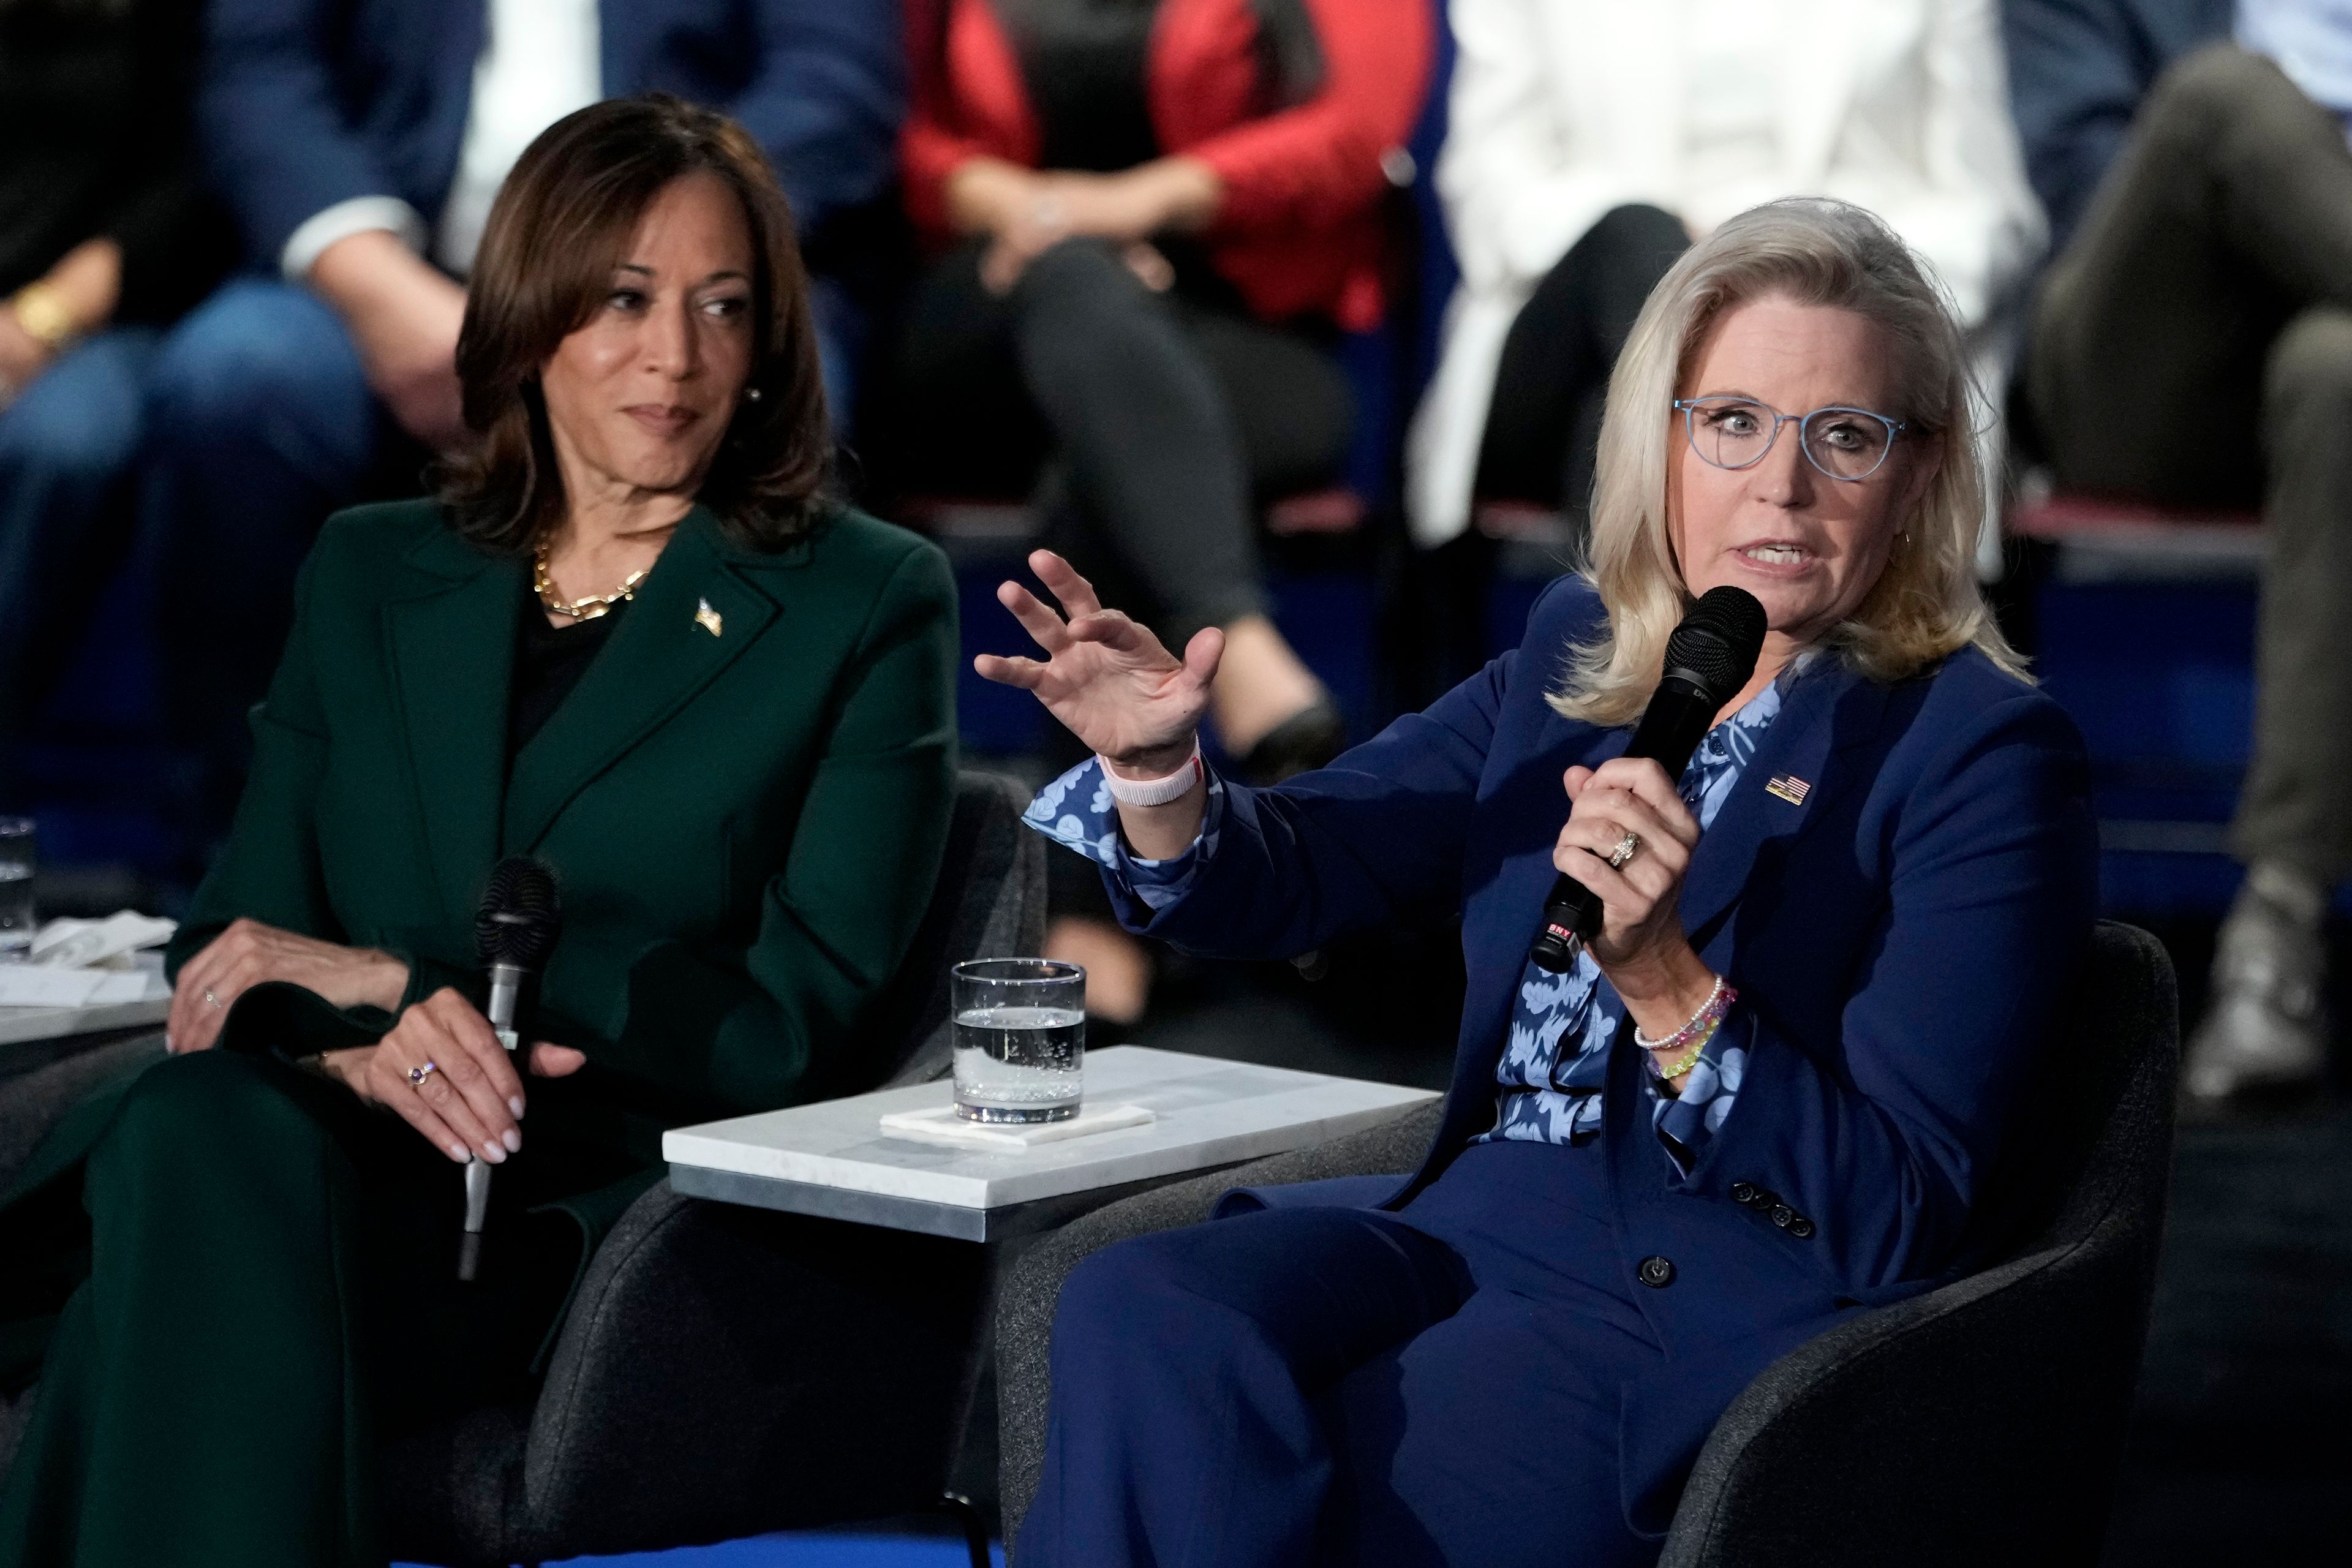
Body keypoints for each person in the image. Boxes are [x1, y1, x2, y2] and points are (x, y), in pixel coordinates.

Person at [982, 198, 2097, 1564]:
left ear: (1919, 474)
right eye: (1733, 422)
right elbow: (1311, 857)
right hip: (1469, 1213)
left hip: (1682, 1283)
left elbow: (1901, 1210)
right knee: (1139, 1307)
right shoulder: (1586, 655)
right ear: (1666, 443)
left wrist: (1673, 987)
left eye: (1845, 436)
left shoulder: (1978, 752)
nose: (1782, 488)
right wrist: (1161, 773)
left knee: (1358, 1484)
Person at [0, 96, 957, 1565]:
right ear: (527, 316)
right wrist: (353, 1052)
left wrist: (404, 988)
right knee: (208, 1132)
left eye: (725, 307)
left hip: (568, 1212)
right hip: (315, 1145)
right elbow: (230, 951)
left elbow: (797, 1020)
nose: (678, 356)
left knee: (166, 1247)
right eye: (625, 300)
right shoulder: (372, 569)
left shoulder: (861, 599)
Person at [146, 0, 906, 853]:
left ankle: (714, 876)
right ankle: (249, 864)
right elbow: (263, 74)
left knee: (774, 403)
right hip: (393, 270)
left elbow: (832, 87)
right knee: (239, 381)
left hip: (689, 262)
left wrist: (617, 286)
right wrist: (370, 280)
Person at [890, 0, 1428, 1021]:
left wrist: (1133, 205)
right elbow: (900, 130)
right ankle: (1247, 654)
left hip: (1239, 333)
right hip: (995, 316)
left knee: (1107, 446)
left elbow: (1354, 133)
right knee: (1082, 307)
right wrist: (1040, 215)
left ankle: (1083, 909)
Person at [2007, 0, 2350, 1110]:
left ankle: (2277, 946)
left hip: (2324, 349)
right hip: (2140, 362)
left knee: (2340, 371)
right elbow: (2066, 180)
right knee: (2218, 93)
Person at [1409, 0, 2043, 565]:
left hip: (1831, 325)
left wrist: (1816, 261)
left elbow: (1988, 215)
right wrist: (1706, 266)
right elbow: (1490, 198)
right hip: (1566, 330)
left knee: (1615, 434)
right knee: (1638, 248)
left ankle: (1667, 674)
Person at [0, 0, 233, 787]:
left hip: (113, 309)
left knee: (61, 445)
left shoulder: (182, 22)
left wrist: (40, 320)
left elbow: (200, 172)